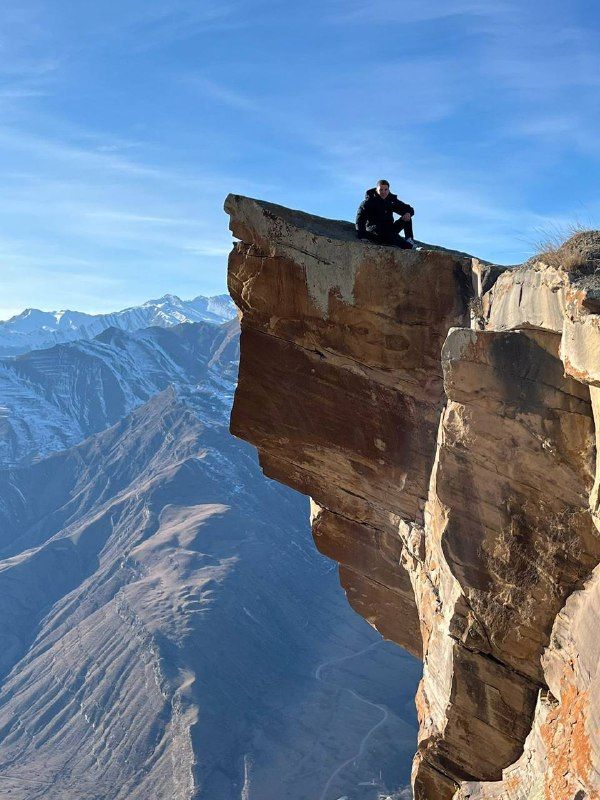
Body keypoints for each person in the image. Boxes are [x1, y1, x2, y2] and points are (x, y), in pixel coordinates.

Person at [355, 179, 417, 249]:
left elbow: (407, 208)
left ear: (388, 190)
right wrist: (362, 236)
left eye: (386, 189)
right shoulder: (368, 202)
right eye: (381, 190)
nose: (383, 192)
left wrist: (408, 213)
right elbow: (360, 220)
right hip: (375, 231)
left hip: (390, 229)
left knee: (407, 217)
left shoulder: (390, 200)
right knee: (392, 237)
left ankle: (409, 240)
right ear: (376, 190)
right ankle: (411, 247)